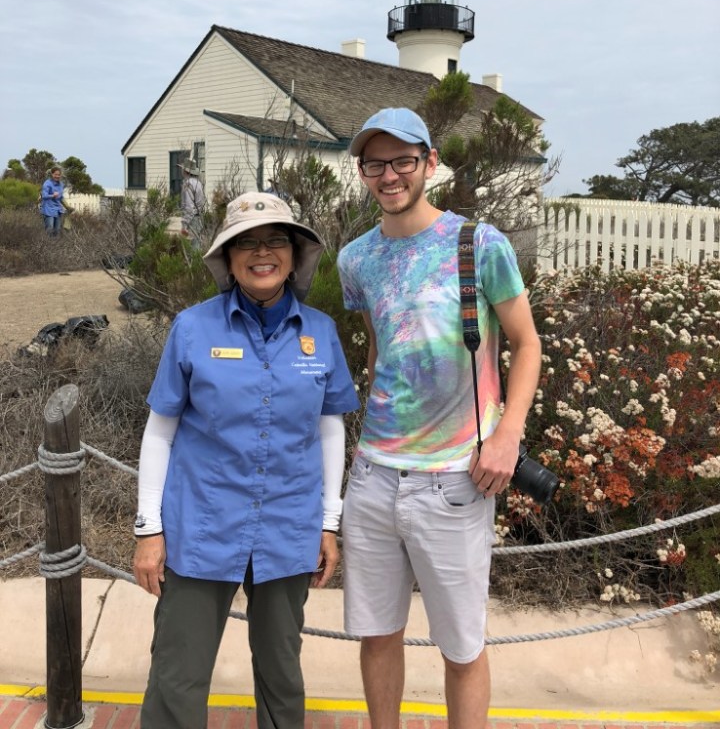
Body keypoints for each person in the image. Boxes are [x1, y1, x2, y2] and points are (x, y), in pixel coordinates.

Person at [337, 108, 542, 729]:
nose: (390, 175)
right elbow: (380, 347)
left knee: (462, 647)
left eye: (403, 160)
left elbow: (526, 344)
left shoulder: (481, 243)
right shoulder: (356, 259)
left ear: (429, 164)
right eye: (376, 163)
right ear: (363, 172)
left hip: (454, 480)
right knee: (377, 636)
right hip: (373, 477)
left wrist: (507, 434)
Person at [133, 191, 359, 729]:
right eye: (247, 243)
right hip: (201, 526)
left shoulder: (321, 333)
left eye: (276, 240)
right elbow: (159, 432)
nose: (263, 252)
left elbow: (330, 429)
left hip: (287, 525)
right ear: (229, 258)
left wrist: (329, 521)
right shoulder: (192, 328)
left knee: (282, 674)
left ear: (294, 254)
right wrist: (148, 529)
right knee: (177, 674)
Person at [178, 158, 206, 247]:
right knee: (197, 245)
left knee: (191, 248)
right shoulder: (198, 183)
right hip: (199, 218)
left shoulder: (188, 184)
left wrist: (184, 225)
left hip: (192, 220)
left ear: (185, 171)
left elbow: (189, 207)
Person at [39, 166, 66, 236]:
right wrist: (52, 195)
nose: (57, 176)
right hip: (48, 209)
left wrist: (67, 206)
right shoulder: (47, 183)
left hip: (58, 210)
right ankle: (47, 246)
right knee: (50, 229)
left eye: (59, 174)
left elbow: (61, 197)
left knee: (57, 230)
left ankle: (55, 246)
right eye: (55, 174)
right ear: (52, 174)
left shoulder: (61, 185)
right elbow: (44, 196)